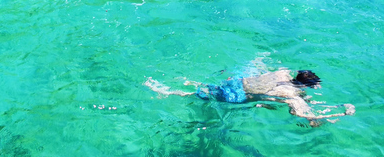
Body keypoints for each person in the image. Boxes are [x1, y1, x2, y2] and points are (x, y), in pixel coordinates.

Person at [145, 69, 355, 127]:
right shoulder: (292, 96)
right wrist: (339, 115)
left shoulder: (283, 73)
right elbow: (303, 116)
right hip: (239, 94)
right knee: (200, 95)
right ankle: (167, 92)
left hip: (239, 81)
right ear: (310, 85)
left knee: (209, 87)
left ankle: (184, 80)